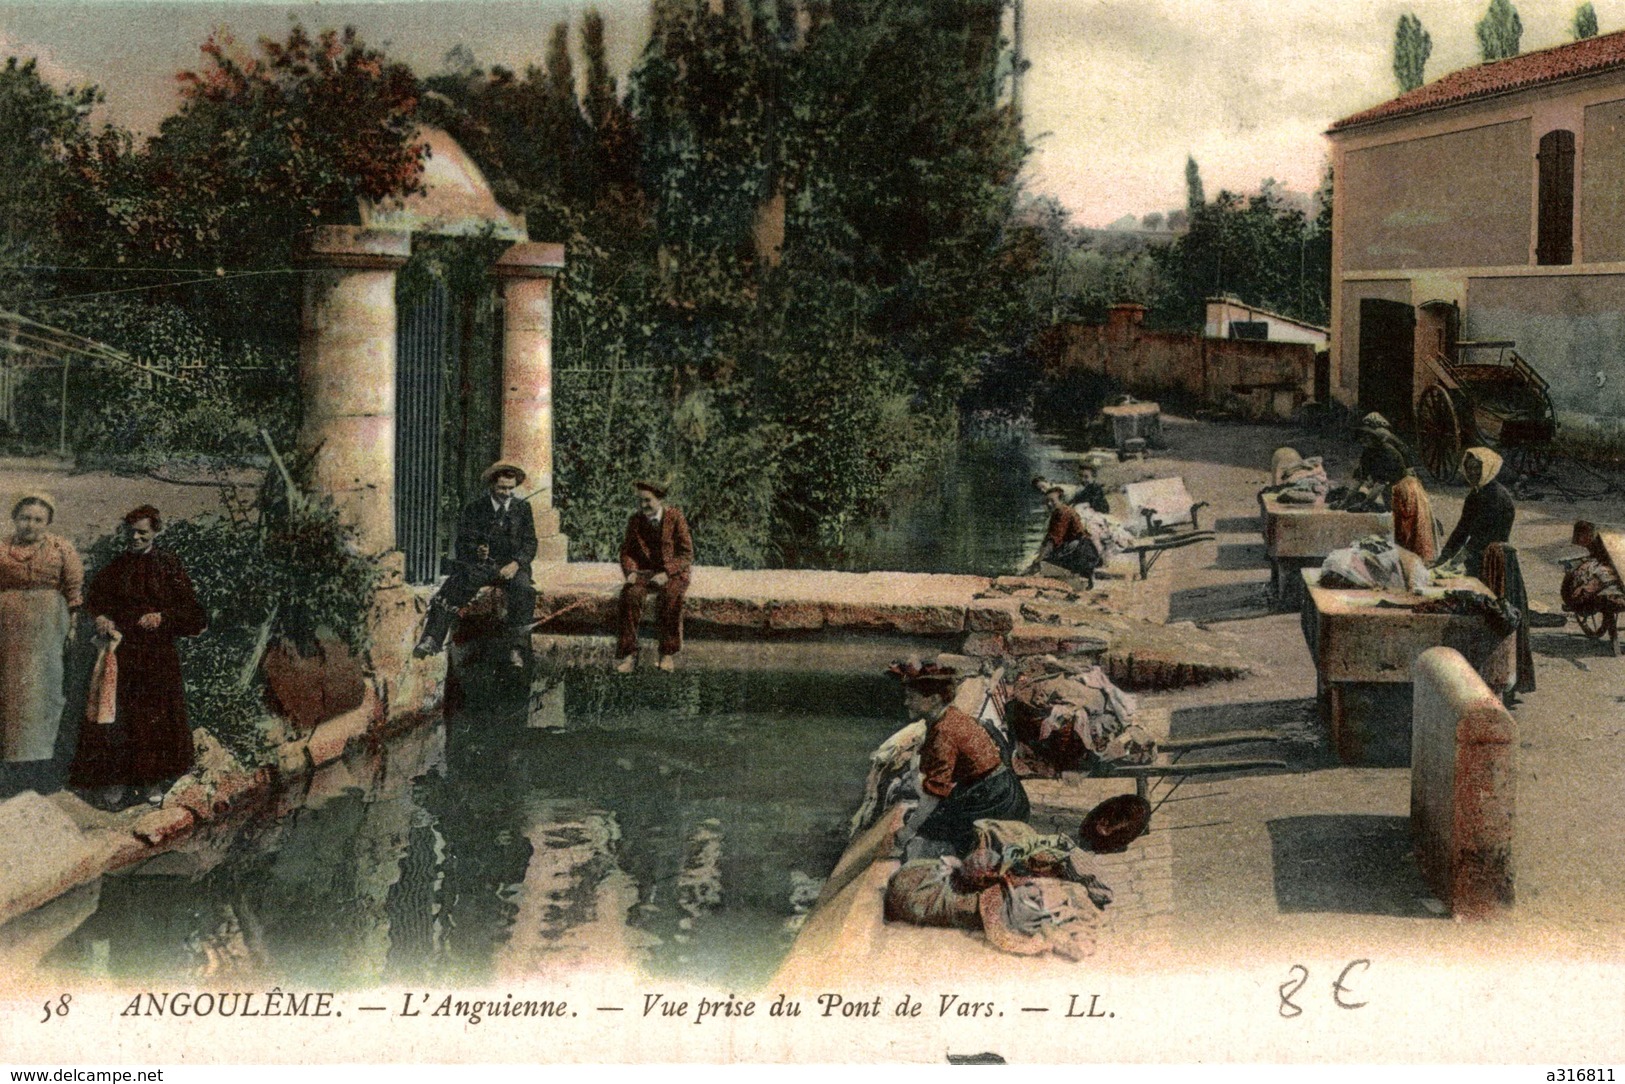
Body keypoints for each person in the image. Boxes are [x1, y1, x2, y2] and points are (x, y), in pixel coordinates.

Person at [68, 505, 207, 809]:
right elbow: (95, 602)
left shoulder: (168, 566)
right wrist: (101, 617)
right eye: (131, 532)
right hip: (121, 654)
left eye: (142, 532)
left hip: (157, 657)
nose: (135, 537)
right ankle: (116, 780)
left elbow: (194, 614)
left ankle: (151, 781)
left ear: (155, 532)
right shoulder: (115, 567)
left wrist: (162, 616)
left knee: (151, 720)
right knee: (116, 719)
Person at [890, 660, 1030, 860]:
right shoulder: (950, 716)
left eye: (912, 697)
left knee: (924, 829)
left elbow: (934, 795)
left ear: (935, 699)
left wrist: (908, 831)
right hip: (1000, 790)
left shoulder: (944, 732)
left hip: (996, 803)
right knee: (926, 820)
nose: (906, 703)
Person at [415, 461, 538, 668]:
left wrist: (516, 563)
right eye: (502, 488)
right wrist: (476, 551)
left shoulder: (522, 508)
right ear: (492, 485)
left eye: (510, 488)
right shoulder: (475, 509)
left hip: (512, 567)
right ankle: (432, 638)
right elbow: (463, 542)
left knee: (524, 591)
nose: (507, 493)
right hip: (484, 566)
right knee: (455, 584)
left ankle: (517, 648)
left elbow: (530, 542)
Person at [1, 494, 83, 769]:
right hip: (8, 627)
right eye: (25, 518)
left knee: (46, 690)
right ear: (14, 519)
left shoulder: (61, 548)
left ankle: (44, 763)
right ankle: (12, 763)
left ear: (48, 522)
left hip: (49, 626)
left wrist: (73, 625)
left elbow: (74, 590)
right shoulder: (1, 547)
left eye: (38, 519)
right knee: (13, 692)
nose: (31, 525)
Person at [615, 481, 693, 674]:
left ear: (660, 499)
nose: (643, 506)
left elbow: (687, 554)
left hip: (673, 573)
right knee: (630, 595)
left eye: (647, 500)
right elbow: (627, 552)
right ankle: (629, 655)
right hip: (646, 572)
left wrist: (667, 573)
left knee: (670, 596)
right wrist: (631, 572)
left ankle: (666, 653)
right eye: (640, 501)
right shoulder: (635, 520)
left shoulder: (675, 518)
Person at [1435, 447, 1515, 580]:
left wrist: (1459, 558)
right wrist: (1444, 557)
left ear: (1487, 468)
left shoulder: (1496, 495)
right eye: (1469, 468)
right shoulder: (1475, 495)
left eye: (1477, 468)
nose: (1472, 472)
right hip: (1478, 556)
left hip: (1495, 559)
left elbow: (1484, 534)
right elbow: (1462, 528)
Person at [1024, 485, 1101, 586]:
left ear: (1061, 500)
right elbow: (1049, 538)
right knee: (1045, 561)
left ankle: (1080, 578)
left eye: (1052, 501)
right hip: (1082, 550)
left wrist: (1038, 560)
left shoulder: (1063, 513)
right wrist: (1040, 555)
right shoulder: (1058, 512)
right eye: (1047, 501)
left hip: (1082, 552)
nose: (1049, 504)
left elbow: (1053, 539)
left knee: (1044, 565)